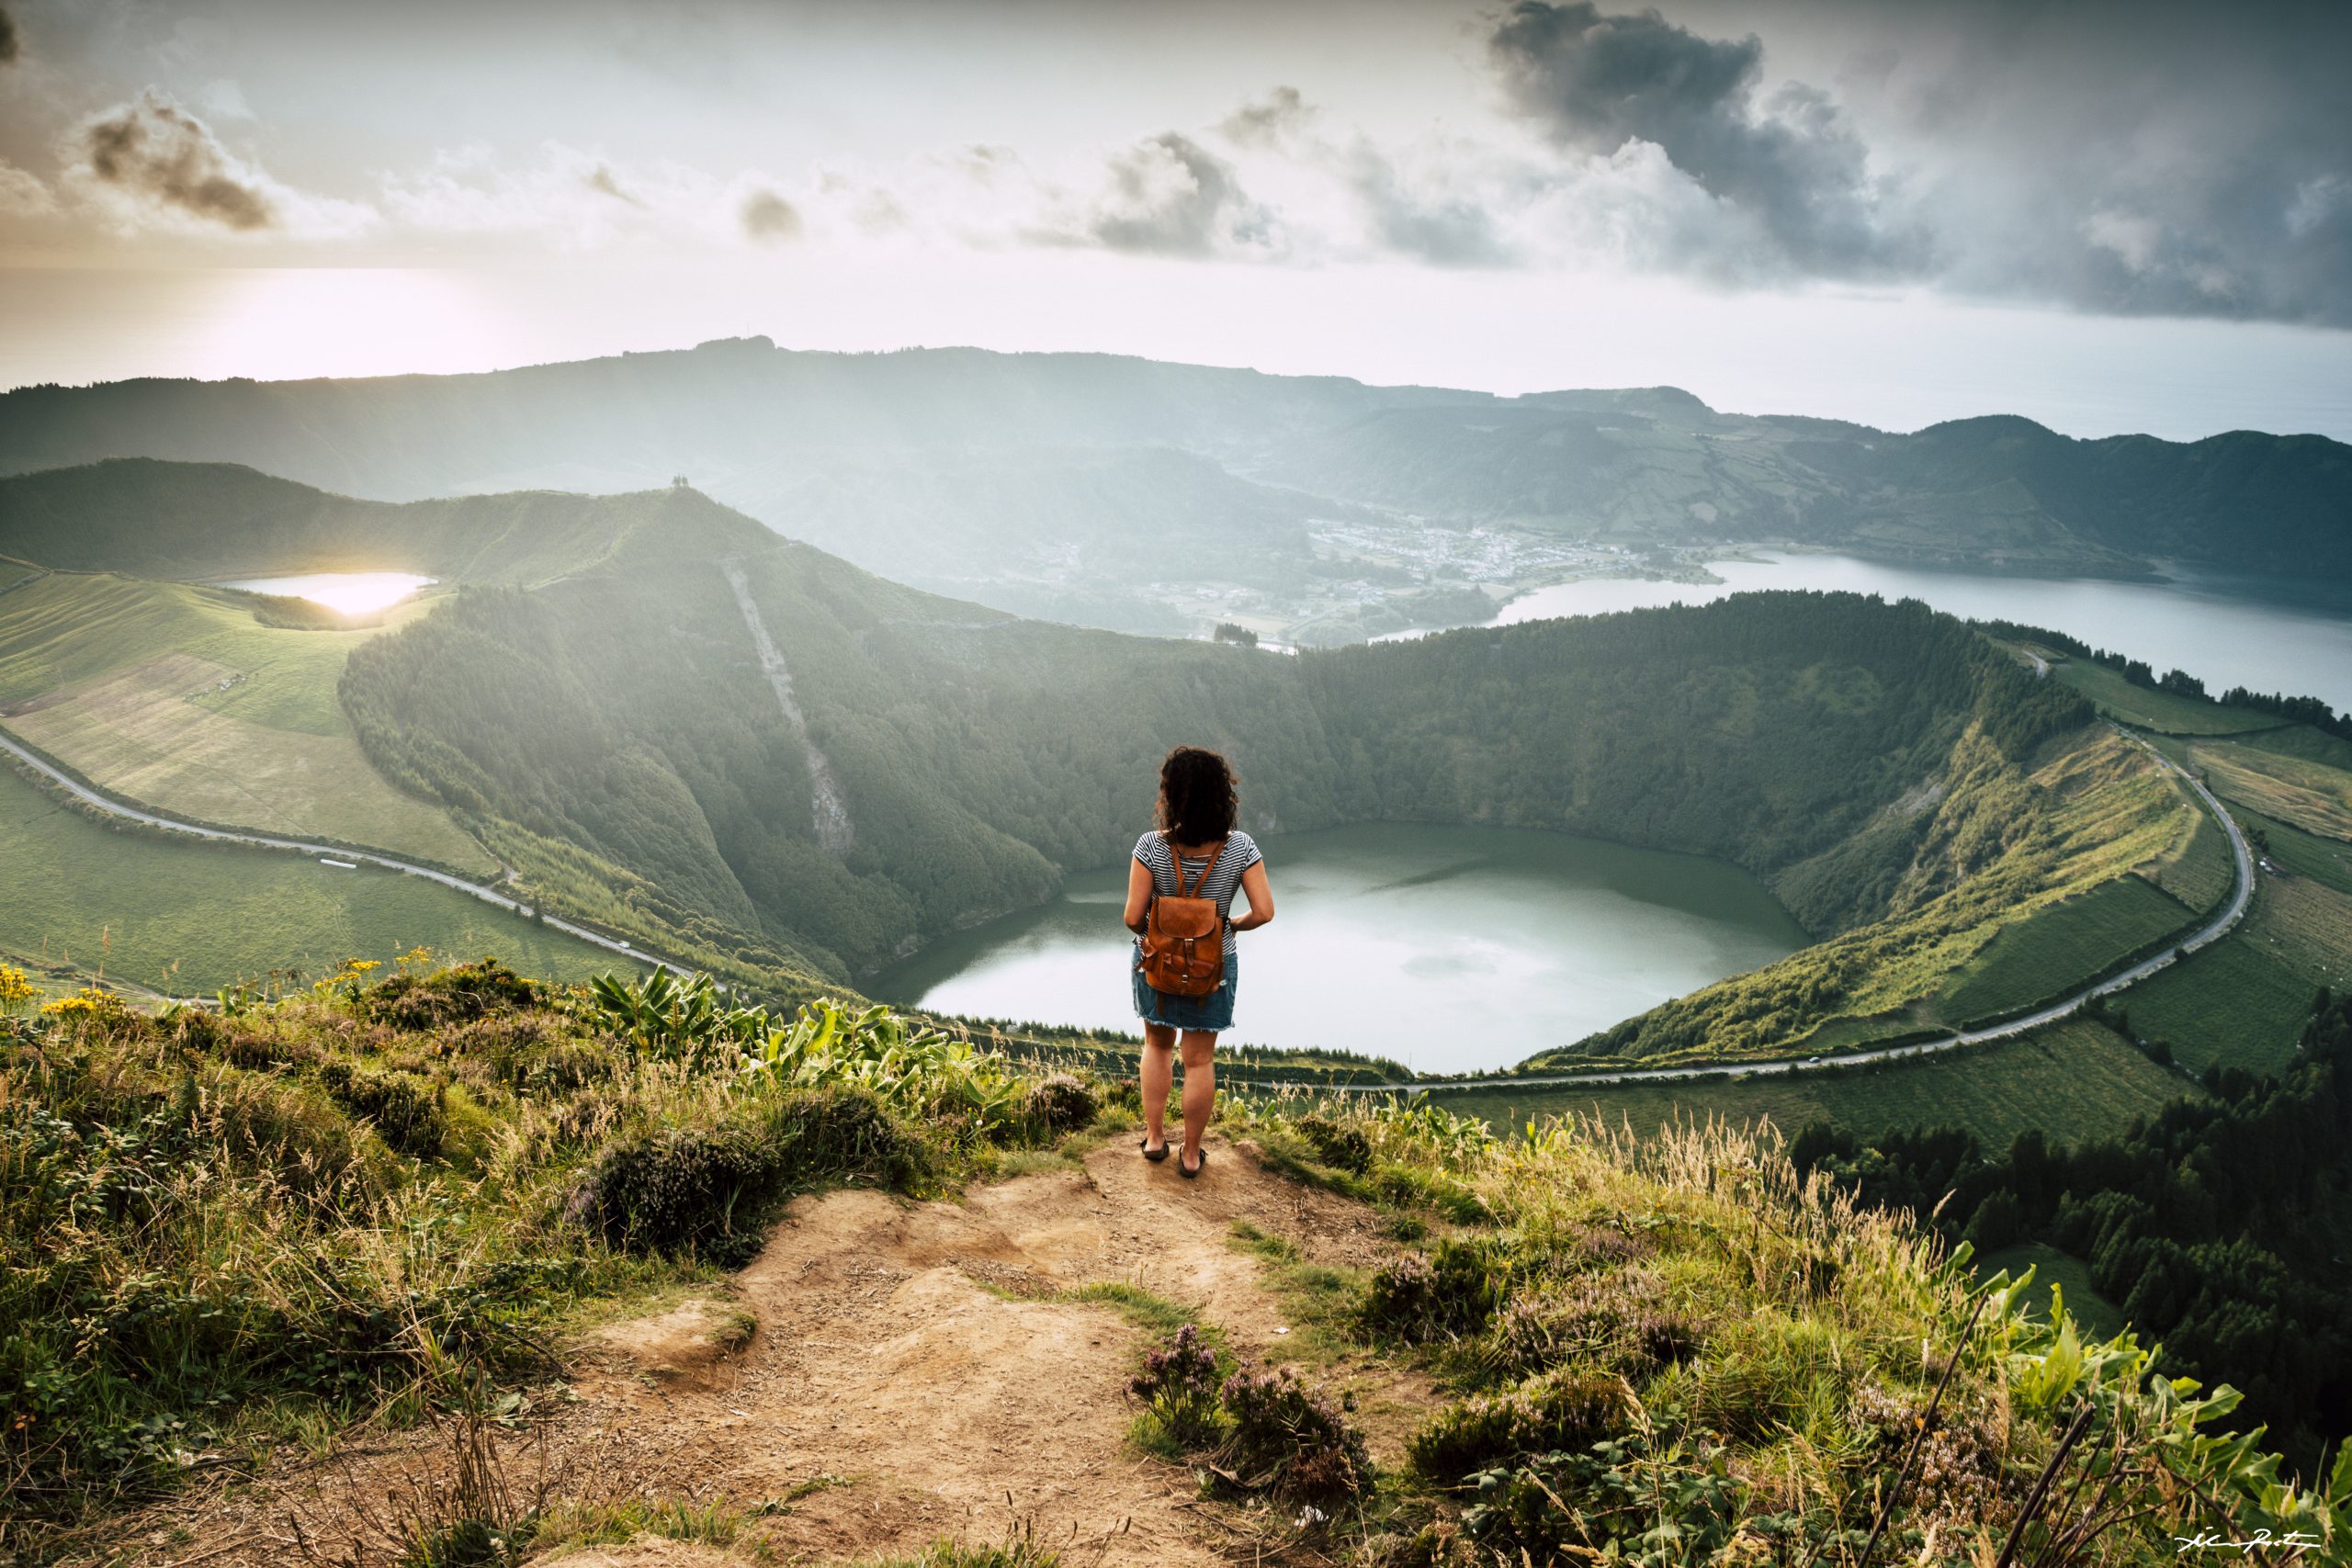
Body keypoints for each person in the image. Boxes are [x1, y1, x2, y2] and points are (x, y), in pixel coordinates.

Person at [1123, 744, 1273, 1179]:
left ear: (1172, 797)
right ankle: (1190, 1154)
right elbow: (1264, 911)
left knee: (1157, 1046)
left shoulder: (1150, 847)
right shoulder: (1240, 848)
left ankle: (1154, 1140)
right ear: (1222, 795)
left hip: (1158, 966)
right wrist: (1230, 926)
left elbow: (1134, 918)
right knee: (1199, 1060)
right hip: (1214, 968)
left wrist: (1166, 933)